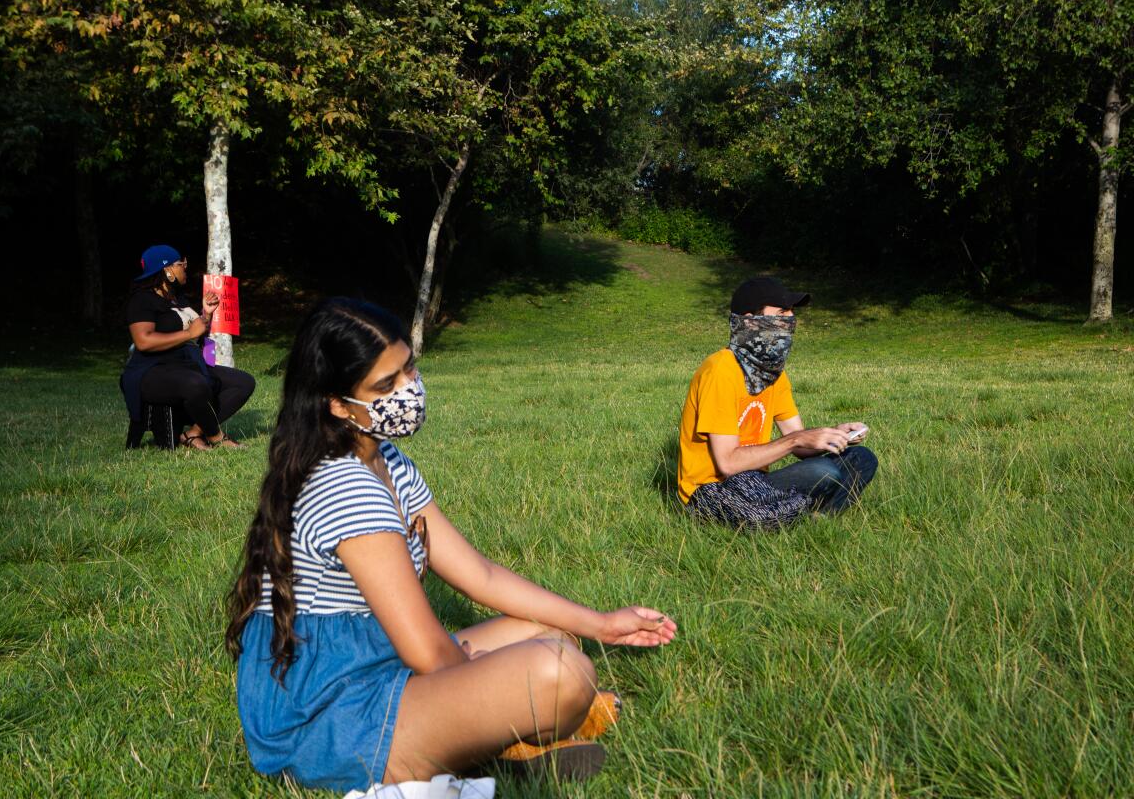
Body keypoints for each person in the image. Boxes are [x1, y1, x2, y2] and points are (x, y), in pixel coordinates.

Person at [225, 298, 677, 792]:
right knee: (560, 670)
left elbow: (478, 574)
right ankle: (491, 743)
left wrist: (602, 624)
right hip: (333, 719)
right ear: (336, 404)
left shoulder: (387, 460)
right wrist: (485, 679)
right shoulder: (346, 487)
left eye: (408, 370)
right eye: (385, 385)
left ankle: (493, 745)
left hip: (381, 670)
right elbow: (428, 654)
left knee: (554, 635)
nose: (408, 391)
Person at [677, 276, 877, 527]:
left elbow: (799, 441)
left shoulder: (773, 373)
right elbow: (727, 464)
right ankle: (797, 510)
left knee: (861, 459)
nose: (791, 319)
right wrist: (797, 440)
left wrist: (832, 436)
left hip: (754, 480)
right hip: (711, 489)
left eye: (792, 312)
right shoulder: (720, 371)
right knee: (825, 474)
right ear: (751, 321)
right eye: (782, 312)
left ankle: (818, 521)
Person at [121, 244, 255, 449]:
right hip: (151, 371)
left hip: (186, 365)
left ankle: (193, 433)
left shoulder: (177, 298)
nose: (185, 267)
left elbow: (195, 334)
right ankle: (216, 436)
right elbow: (143, 341)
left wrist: (206, 315)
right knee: (196, 383)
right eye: (180, 263)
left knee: (243, 382)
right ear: (167, 270)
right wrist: (189, 333)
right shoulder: (142, 300)